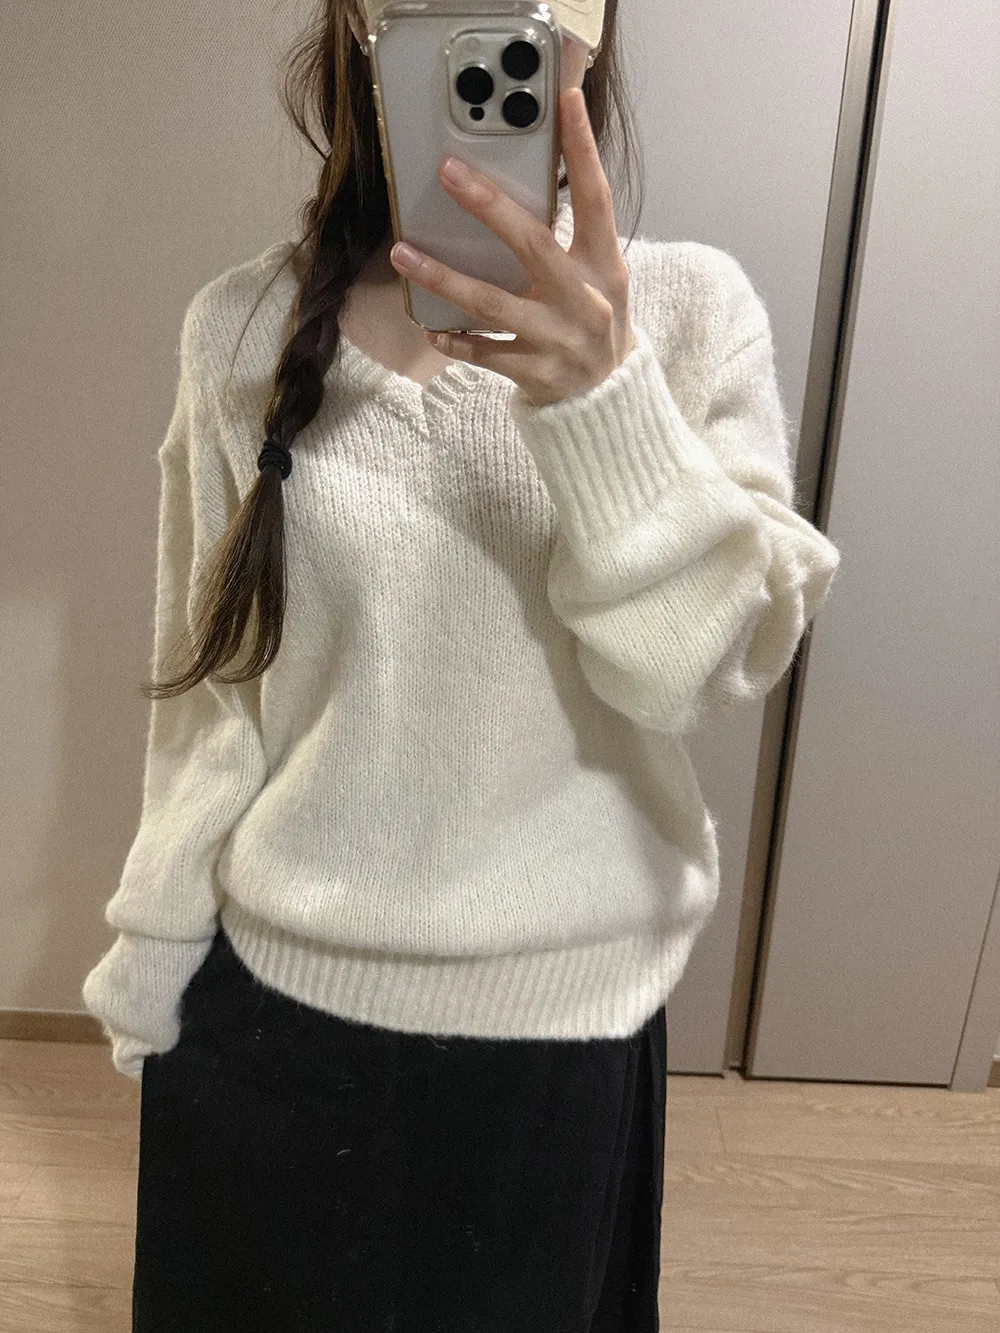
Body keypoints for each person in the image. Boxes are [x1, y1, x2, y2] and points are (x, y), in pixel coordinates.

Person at [81, 1, 842, 1329]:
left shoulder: (687, 313)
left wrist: (603, 403)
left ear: (595, 29)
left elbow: (709, 669)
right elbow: (213, 697)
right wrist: (151, 949)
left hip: (554, 1047)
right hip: (270, 1022)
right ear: (358, 24)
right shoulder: (241, 328)